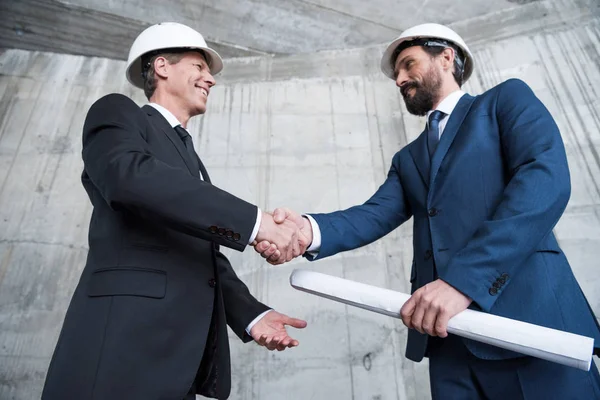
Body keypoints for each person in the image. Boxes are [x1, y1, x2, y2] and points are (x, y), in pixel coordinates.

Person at [255, 23, 600, 399]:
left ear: (447, 56)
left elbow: (544, 179)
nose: (399, 79)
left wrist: (464, 282)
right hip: (445, 341)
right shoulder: (408, 159)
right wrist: (305, 230)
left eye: (407, 64)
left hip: (528, 325)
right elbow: (372, 215)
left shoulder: (504, 101)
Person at [42, 22, 308, 400]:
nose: (210, 80)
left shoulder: (191, 161)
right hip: (122, 351)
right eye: (200, 67)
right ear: (163, 66)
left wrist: (251, 314)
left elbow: (199, 253)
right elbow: (129, 179)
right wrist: (257, 224)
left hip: (178, 363)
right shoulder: (118, 113)